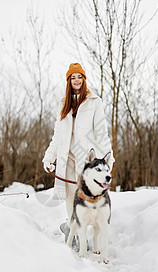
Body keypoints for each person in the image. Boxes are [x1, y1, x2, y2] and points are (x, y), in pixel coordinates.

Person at [42, 63, 114, 229]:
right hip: (66, 158)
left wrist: (107, 158)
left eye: (79, 77)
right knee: (70, 197)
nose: (76, 80)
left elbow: (102, 133)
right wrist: (49, 157)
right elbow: (58, 136)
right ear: (69, 81)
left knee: (86, 196)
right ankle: (73, 229)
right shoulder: (63, 105)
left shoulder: (94, 102)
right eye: (73, 77)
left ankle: (82, 229)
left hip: (85, 159)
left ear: (84, 79)